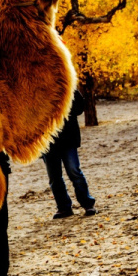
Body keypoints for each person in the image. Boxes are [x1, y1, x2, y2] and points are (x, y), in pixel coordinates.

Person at [43, 89, 97, 219]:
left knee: (74, 171)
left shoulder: (66, 85)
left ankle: (87, 203)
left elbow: (79, 107)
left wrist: (65, 112)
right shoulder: (36, 90)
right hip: (48, 141)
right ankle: (64, 208)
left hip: (68, 138)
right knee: (54, 177)